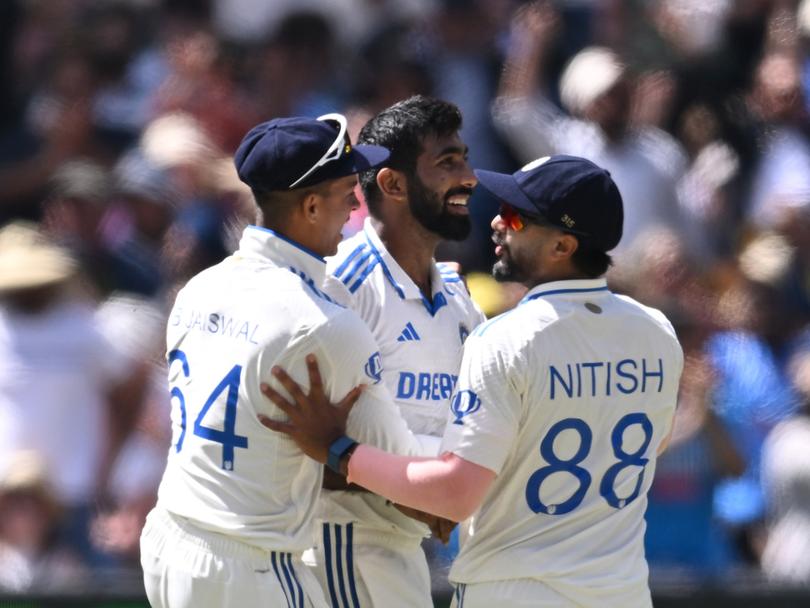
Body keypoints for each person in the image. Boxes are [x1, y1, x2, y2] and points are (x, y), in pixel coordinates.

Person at [260, 155, 685, 607]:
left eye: (518, 217)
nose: (498, 222)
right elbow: (650, 445)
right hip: (622, 593)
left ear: (562, 246)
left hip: (515, 593)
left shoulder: (508, 340)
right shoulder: (657, 332)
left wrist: (337, 449)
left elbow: (453, 495)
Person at [139, 114, 437, 608]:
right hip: (251, 565)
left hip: (169, 538)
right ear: (312, 205)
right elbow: (405, 474)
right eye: (346, 190)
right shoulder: (324, 323)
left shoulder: (200, 287)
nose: (354, 203)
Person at [315, 95, 485, 607]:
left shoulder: (457, 296)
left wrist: (444, 493)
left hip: (407, 545)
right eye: (447, 163)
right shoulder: (341, 285)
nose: (470, 177)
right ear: (392, 184)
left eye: (464, 158)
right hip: (342, 546)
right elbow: (303, 440)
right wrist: (427, 492)